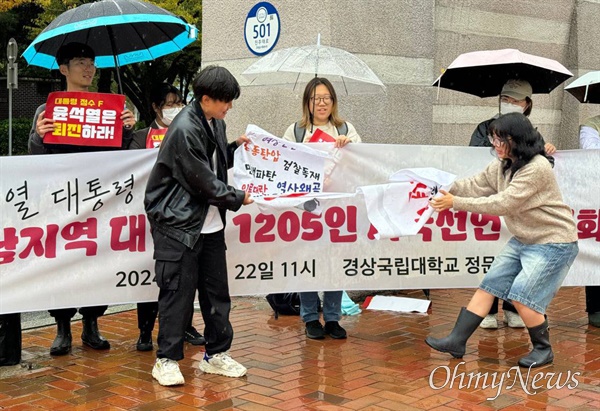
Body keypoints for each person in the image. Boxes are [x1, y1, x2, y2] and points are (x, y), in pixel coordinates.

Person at [426, 112, 579, 368]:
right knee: (490, 284)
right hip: (524, 238)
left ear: (516, 139)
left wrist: (455, 203)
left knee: (521, 295)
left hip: (554, 241)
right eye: (493, 139)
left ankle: (543, 350)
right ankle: (456, 340)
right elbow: (475, 184)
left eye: (499, 140)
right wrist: (445, 187)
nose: (494, 145)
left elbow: (504, 203)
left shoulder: (537, 167)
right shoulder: (503, 164)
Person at [144, 65, 253, 386]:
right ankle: (165, 359)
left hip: (208, 224)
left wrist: (234, 148)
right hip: (177, 224)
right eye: (225, 101)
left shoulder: (213, 121)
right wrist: (238, 197)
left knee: (216, 292)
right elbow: (201, 180)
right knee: (176, 293)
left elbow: (212, 161)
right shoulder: (184, 129)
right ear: (206, 99)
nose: (229, 106)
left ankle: (216, 354)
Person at [28, 42, 137, 356]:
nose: (88, 68)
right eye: (79, 62)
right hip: (61, 202)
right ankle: (62, 328)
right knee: (62, 265)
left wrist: (127, 130)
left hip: (99, 200)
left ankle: (92, 323)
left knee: (97, 263)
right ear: (63, 69)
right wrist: (38, 134)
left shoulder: (109, 107)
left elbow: (124, 156)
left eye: (91, 62)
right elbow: (36, 157)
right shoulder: (47, 110)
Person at [469, 79, 555, 330]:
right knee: (491, 256)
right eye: (505, 99)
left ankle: (512, 307)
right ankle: (487, 310)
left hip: (519, 209)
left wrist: (547, 149)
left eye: (516, 100)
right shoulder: (484, 128)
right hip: (490, 201)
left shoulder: (532, 133)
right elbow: (471, 157)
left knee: (517, 259)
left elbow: (543, 163)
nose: (510, 104)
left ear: (527, 104)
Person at [281, 77, 361, 340]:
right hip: (308, 208)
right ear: (308, 102)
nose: (322, 103)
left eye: (327, 97)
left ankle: (333, 318)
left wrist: (348, 148)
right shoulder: (296, 131)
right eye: (316, 98)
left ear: (334, 101)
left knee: (334, 261)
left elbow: (363, 160)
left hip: (337, 207)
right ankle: (310, 317)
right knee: (308, 261)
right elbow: (283, 164)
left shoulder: (346, 128)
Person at [130, 82, 206, 350]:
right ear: (155, 107)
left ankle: (184, 326)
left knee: (183, 277)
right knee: (149, 273)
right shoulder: (140, 138)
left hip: (183, 216)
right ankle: (145, 330)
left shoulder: (190, 132)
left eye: (178, 103)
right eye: (169, 103)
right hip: (149, 215)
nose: (175, 108)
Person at [578, 115, 600, 328]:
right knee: (595, 251)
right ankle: (596, 308)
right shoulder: (591, 125)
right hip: (596, 195)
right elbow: (590, 153)